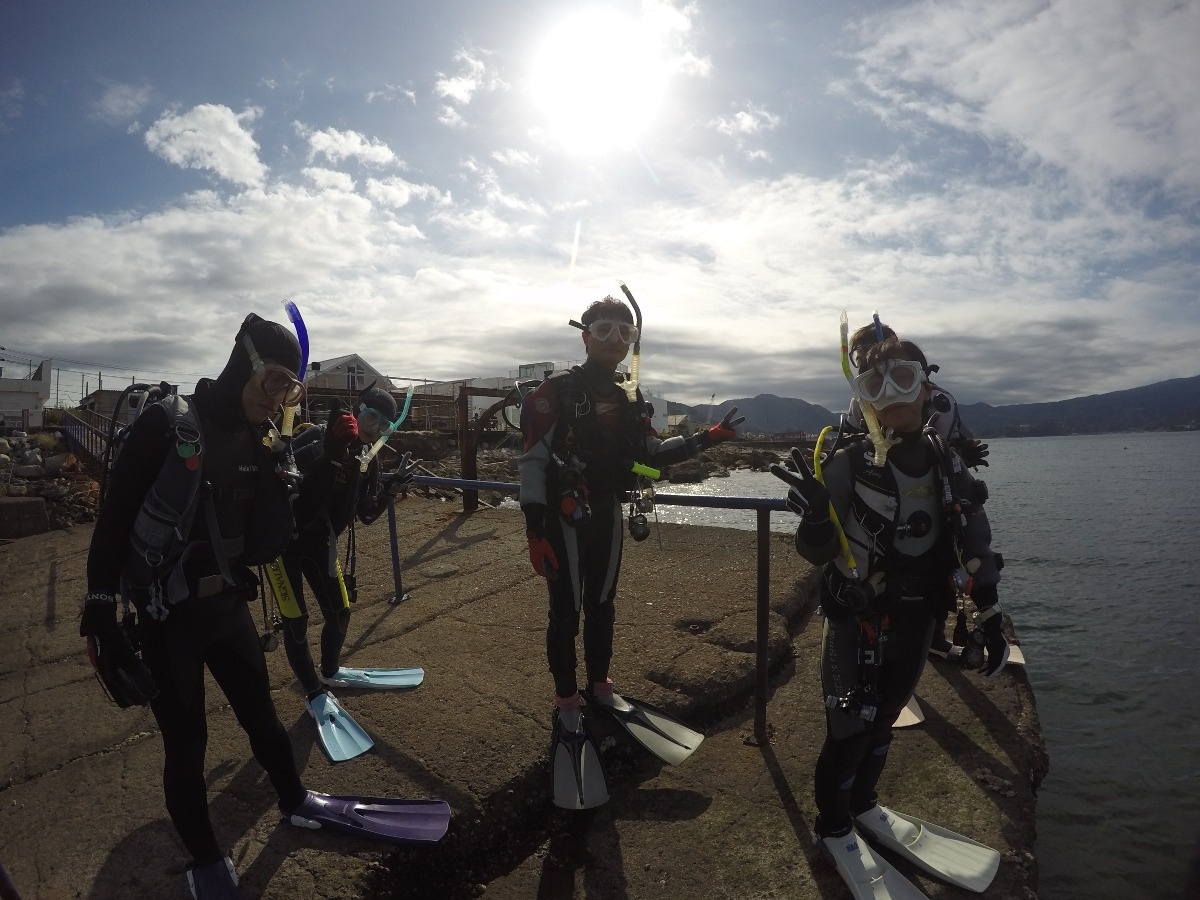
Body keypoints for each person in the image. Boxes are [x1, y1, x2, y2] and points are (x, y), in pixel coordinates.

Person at [78, 314, 448, 899]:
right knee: (187, 747)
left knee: (264, 718)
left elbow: (295, 522)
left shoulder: (264, 438)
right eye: (274, 380)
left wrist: (332, 456)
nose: (279, 398)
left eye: (291, 388)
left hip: (228, 608)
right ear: (241, 365)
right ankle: (206, 858)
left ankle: (295, 799)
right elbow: (113, 519)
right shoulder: (167, 424)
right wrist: (100, 611)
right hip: (166, 618)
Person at [772, 332, 1008, 898]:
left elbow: (975, 537)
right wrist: (816, 519)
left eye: (905, 378)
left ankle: (863, 803)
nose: (892, 394)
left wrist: (990, 612)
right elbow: (815, 551)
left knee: (885, 718)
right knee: (849, 725)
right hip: (858, 619)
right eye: (876, 384)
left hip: (920, 614)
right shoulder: (848, 464)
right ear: (863, 398)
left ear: (928, 390)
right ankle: (834, 824)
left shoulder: (948, 462)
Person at [518, 294, 742, 807]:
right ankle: (567, 701)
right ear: (585, 336)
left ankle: (600, 687)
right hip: (562, 520)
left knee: (602, 605)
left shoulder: (630, 398)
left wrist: (710, 438)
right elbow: (532, 463)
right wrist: (534, 531)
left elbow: (649, 459)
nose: (615, 339)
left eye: (625, 332)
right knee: (565, 611)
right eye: (604, 329)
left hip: (607, 516)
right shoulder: (554, 393)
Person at [265, 386, 420, 760]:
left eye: (384, 425)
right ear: (357, 409)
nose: (374, 428)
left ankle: (330, 671)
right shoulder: (318, 437)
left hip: (322, 544)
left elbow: (364, 513)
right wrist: (327, 455)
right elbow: (280, 477)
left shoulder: (369, 458)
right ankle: (314, 693)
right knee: (297, 622)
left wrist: (390, 491)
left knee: (341, 611)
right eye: (371, 416)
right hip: (282, 544)